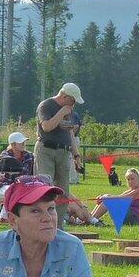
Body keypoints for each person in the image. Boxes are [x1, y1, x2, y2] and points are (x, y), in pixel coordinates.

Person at [35, 81, 83, 226]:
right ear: (65, 96)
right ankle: (43, 223)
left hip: (64, 152)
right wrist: (61, 112)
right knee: (45, 188)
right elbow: (46, 126)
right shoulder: (46, 106)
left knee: (63, 192)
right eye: (73, 100)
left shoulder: (69, 111)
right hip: (46, 150)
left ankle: (59, 225)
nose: (74, 104)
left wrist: (76, 156)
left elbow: (70, 133)